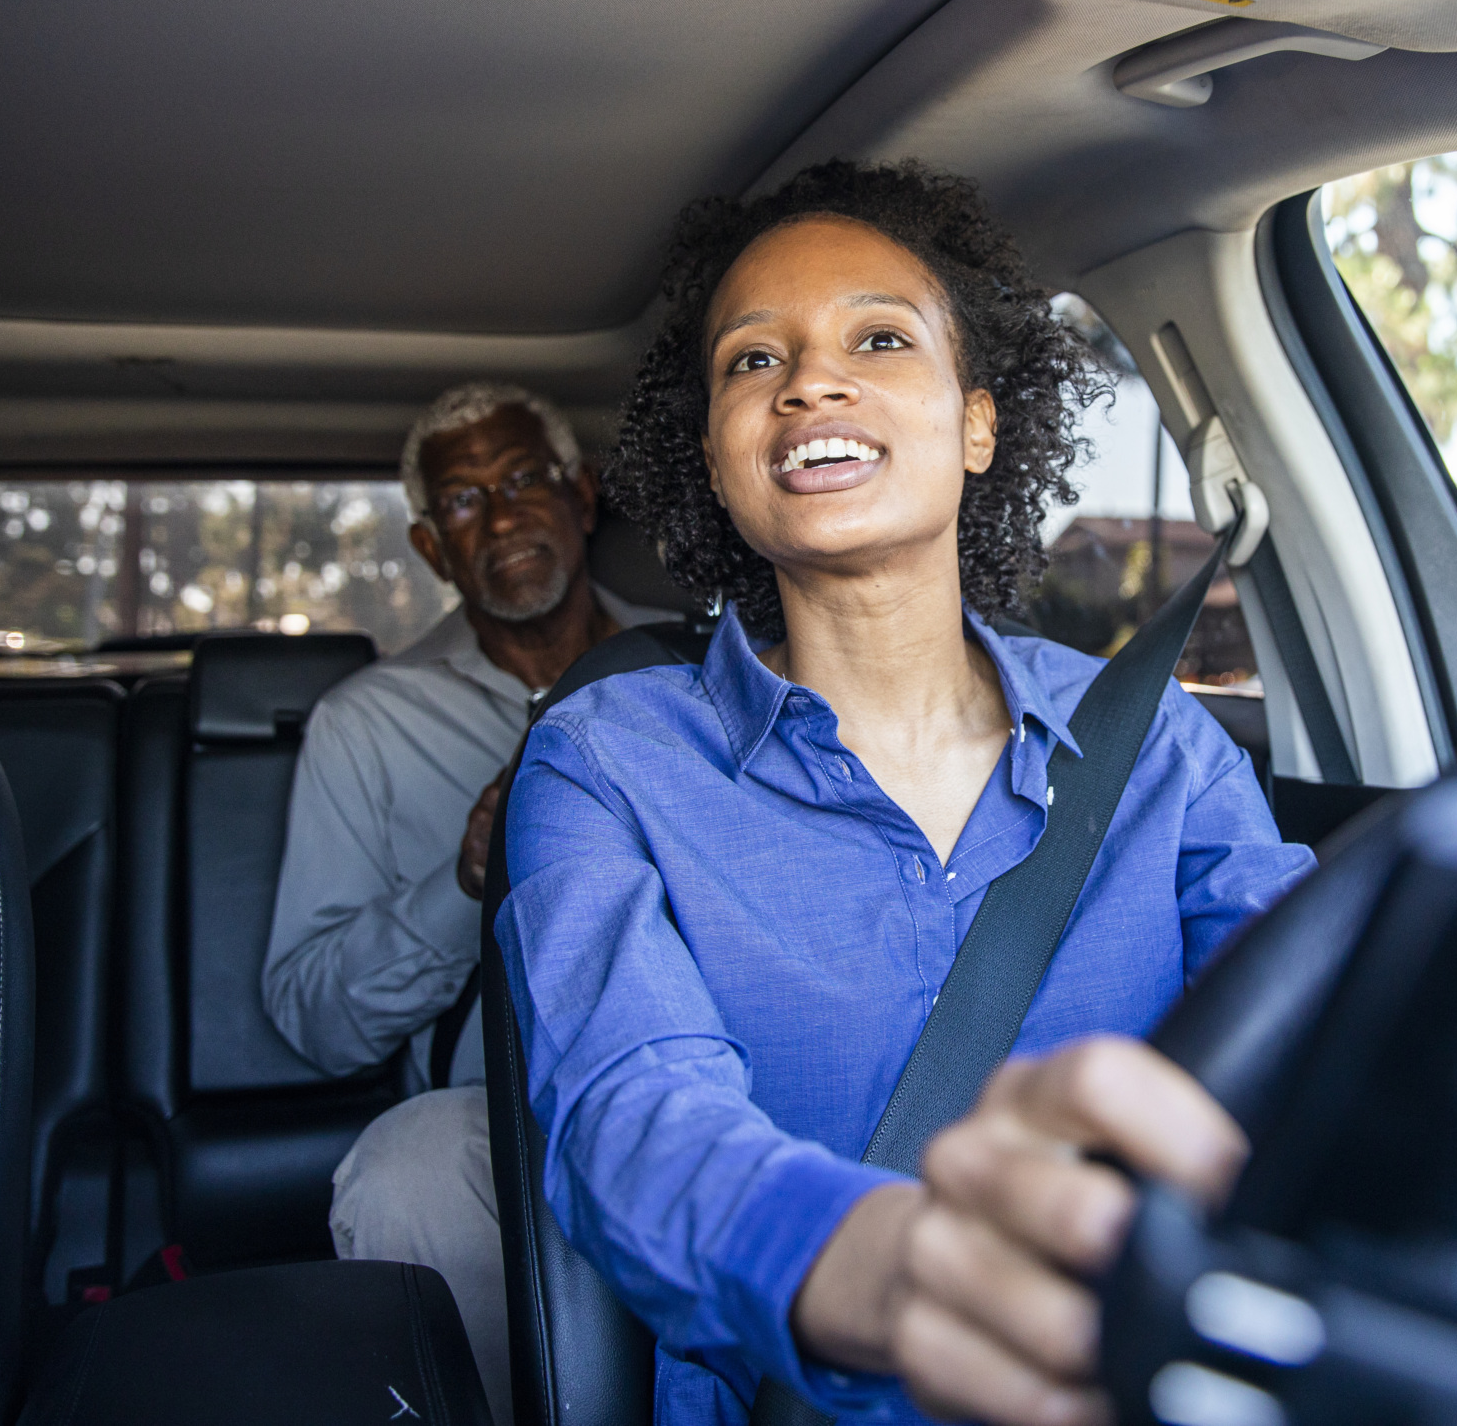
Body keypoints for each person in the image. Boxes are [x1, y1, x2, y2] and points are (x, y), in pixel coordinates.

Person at [496, 160, 1319, 1426]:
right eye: (751, 363)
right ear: (714, 458)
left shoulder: (1156, 745)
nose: (810, 381)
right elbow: (629, 1110)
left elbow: (1321, 1012)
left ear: (978, 423)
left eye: (878, 339)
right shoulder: (604, 759)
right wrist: (878, 1264)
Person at [263, 380, 675, 1426]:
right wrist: (465, 885)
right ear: (430, 546)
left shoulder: (697, 668)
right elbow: (312, 1017)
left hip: (716, 1061)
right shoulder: (366, 724)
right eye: (461, 501)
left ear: (582, 498)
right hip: (500, 1109)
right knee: (405, 1168)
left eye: (525, 478)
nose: (500, 517)